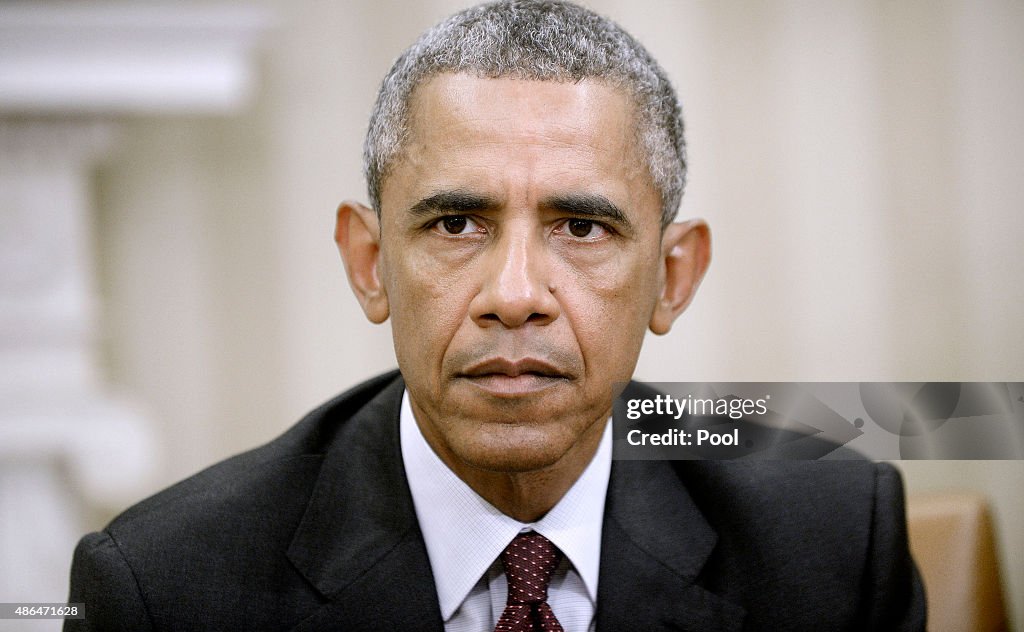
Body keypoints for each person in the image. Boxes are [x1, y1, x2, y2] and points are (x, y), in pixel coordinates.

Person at [66, 1, 926, 630]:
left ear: (672, 276)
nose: (514, 294)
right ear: (370, 265)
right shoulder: (164, 590)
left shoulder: (834, 543)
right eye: (456, 223)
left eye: (582, 226)